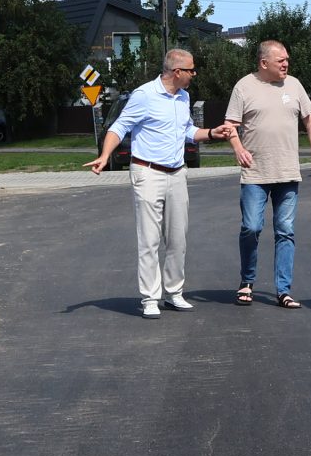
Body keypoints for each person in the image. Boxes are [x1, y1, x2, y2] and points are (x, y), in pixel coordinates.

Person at [89, 48, 236, 318]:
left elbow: (188, 131)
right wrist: (105, 155)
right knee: (150, 239)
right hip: (148, 173)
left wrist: (213, 133)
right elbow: (119, 127)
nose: (195, 74)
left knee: (178, 238)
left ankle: (174, 293)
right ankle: (149, 298)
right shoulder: (144, 95)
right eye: (191, 69)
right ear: (177, 72)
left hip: (177, 173)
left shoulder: (184, 96)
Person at [223, 39, 311, 308]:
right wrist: (237, 148)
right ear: (264, 63)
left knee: (285, 231)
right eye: (280, 60)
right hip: (255, 173)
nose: (286, 64)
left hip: (287, 172)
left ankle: (283, 290)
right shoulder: (244, 86)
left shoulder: (293, 85)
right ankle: (247, 281)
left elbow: (310, 119)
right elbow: (230, 125)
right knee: (251, 227)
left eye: (287, 59)